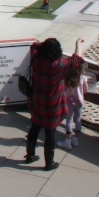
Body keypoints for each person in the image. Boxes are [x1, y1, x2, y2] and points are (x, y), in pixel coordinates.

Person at [23, 37, 84, 170]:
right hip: (53, 105)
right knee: (50, 133)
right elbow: (77, 59)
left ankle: (30, 155)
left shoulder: (36, 60)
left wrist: (43, 44)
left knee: (34, 127)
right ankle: (49, 163)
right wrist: (78, 43)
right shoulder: (60, 65)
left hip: (37, 101)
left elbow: (34, 45)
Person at [57, 62, 92, 150]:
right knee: (78, 119)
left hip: (68, 101)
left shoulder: (67, 77)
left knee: (69, 120)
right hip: (79, 102)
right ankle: (75, 139)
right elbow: (86, 90)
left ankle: (68, 141)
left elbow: (62, 88)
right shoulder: (83, 77)